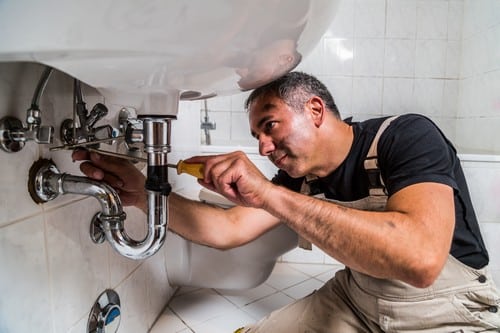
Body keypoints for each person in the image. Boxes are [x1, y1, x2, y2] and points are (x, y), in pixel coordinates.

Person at [73, 71, 500, 332]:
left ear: (315, 110)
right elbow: (227, 229)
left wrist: (270, 194)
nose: (263, 146)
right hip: (358, 297)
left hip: (445, 310)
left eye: (270, 125)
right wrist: (143, 194)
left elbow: (421, 259)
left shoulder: (404, 136)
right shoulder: (300, 178)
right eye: (258, 135)